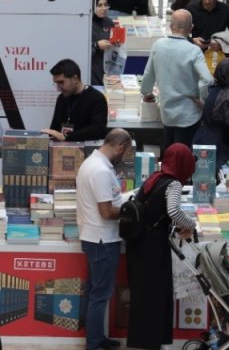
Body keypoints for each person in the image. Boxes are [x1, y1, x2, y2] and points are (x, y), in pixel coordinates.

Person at [126, 143, 198, 350]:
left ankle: (143, 340)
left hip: (137, 243)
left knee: (142, 294)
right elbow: (173, 211)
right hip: (154, 246)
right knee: (156, 294)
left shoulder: (154, 178)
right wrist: (191, 224)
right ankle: (153, 341)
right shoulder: (173, 184)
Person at [75, 128, 132, 350]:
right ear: (120, 147)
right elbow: (107, 212)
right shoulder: (100, 170)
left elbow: (109, 201)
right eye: (125, 151)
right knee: (100, 294)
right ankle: (93, 344)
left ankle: (97, 338)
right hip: (102, 240)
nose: (123, 156)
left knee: (96, 292)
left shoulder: (92, 164)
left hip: (97, 238)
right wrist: (130, 210)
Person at [141, 10, 213, 148]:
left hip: (166, 112)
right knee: (183, 154)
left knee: (169, 152)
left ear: (170, 26)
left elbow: (148, 74)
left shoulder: (158, 45)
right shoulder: (194, 51)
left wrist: (146, 93)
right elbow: (207, 80)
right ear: (191, 28)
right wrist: (202, 100)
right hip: (189, 114)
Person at [44, 58, 109, 143]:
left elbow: (98, 130)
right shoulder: (61, 98)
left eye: (61, 82)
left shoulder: (96, 98)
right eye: (56, 83)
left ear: (75, 78)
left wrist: (67, 137)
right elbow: (54, 128)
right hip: (62, 148)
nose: (58, 88)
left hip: (86, 149)